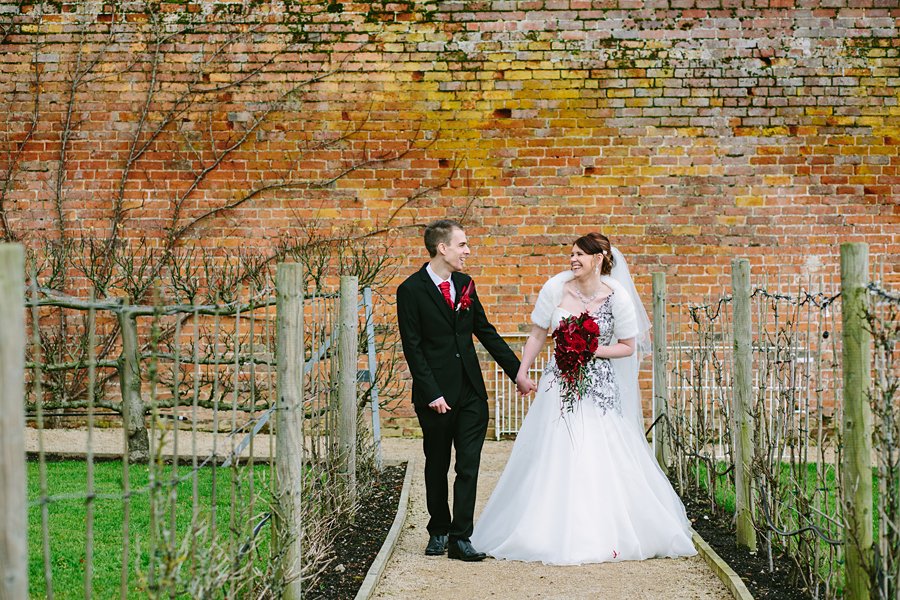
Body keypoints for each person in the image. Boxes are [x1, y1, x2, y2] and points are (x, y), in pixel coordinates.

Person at [470, 232, 696, 565]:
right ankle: (542, 528)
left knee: (597, 451)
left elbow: (629, 346)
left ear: (600, 257)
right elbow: (537, 333)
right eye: (571, 254)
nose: (573, 259)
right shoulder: (555, 288)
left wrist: (592, 350)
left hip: (599, 387)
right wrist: (522, 370)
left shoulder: (617, 295)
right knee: (554, 449)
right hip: (558, 384)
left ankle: (600, 528)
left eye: (580, 254)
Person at [396, 219, 536, 561]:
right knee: (437, 463)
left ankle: (461, 538)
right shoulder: (410, 290)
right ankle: (439, 529)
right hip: (436, 397)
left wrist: (518, 372)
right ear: (442, 248)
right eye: (462, 244)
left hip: (472, 392)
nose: (468, 250)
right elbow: (413, 347)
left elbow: (485, 332)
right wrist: (431, 392)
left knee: (469, 465)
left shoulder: (466, 284)